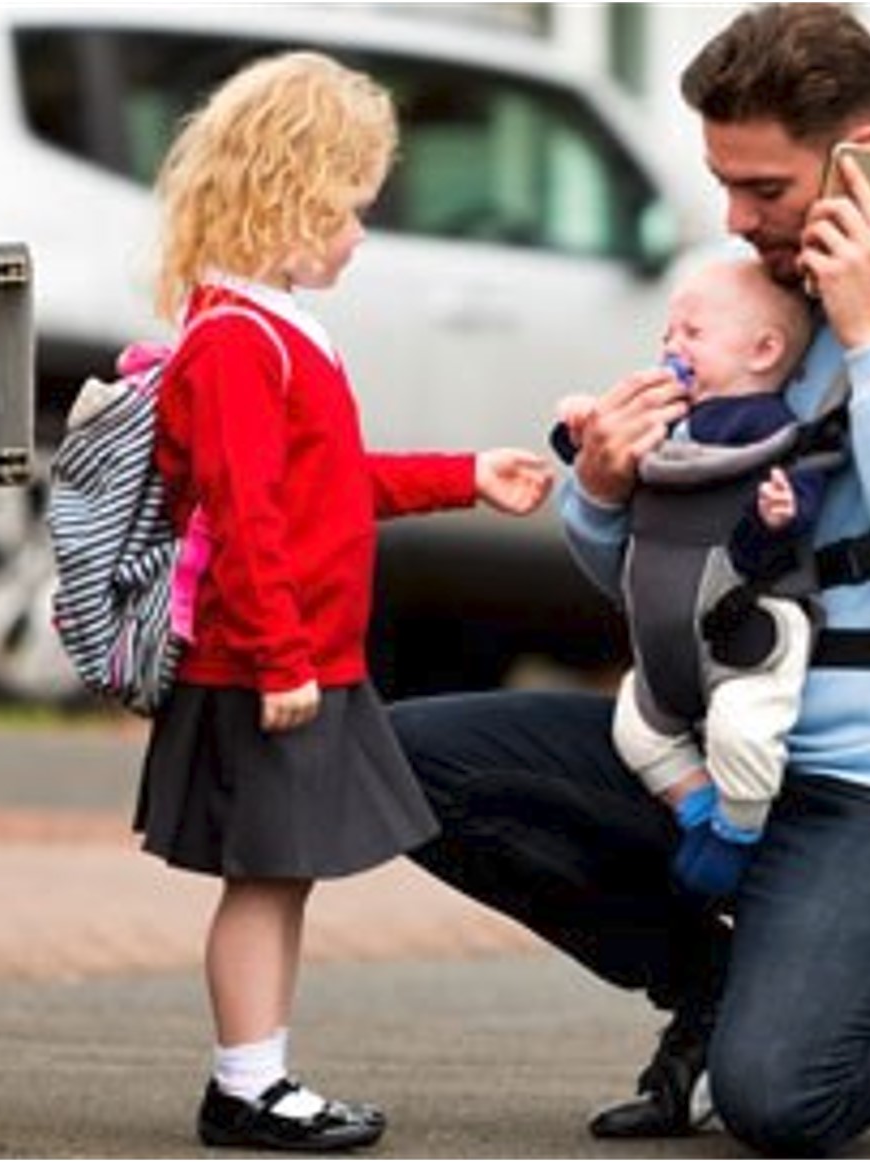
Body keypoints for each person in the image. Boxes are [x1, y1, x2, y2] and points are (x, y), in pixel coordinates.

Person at [390, 4, 870, 1155]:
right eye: (724, 184)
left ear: (861, 148)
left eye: (764, 188)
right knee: (403, 763)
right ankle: (716, 988)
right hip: (704, 739)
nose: (736, 219)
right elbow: (647, 570)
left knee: (779, 1101)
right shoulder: (748, 291)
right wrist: (608, 492)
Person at [133, 50, 553, 1153]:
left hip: (300, 653)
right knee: (266, 877)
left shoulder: (273, 326)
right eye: (348, 209)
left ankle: (258, 1074)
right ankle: (246, 1083)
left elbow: (328, 483)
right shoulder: (234, 342)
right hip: (266, 661)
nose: (361, 235)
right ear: (287, 190)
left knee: (284, 875)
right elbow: (244, 512)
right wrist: (280, 658)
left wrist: (468, 474)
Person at [555, 255, 823, 904]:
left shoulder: (765, 427)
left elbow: (799, 490)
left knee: (744, 732)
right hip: (667, 653)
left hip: (747, 641)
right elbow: (620, 460)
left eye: (692, 335)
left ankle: (738, 832)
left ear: (763, 351)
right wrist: (586, 432)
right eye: (668, 335)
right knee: (637, 729)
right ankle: (699, 808)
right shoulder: (677, 419)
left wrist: (784, 510)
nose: (672, 348)